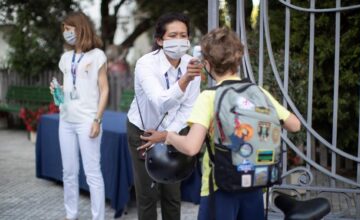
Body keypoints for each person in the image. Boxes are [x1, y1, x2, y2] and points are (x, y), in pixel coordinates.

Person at [165, 27, 301, 220]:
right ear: (238, 61)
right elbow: (295, 125)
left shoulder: (209, 97)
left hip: (219, 188)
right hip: (254, 184)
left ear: (208, 64)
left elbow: (191, 147)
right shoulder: (258, 92)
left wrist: (170, 136)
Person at [126, 12, 202, 220]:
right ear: (160, 40)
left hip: (174, 132)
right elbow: (160, 102)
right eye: (173, 35)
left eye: (183, 35)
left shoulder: (191, 65)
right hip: (142, 132)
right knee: (147, 194)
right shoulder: (145, 64)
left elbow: (188, 108)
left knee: (172, 192)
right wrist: (185, 79)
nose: (179, 40)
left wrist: (168, 135)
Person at [50, 11, 109, 220]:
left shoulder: (97, 56)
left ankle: (98, 217)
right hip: (65, 120)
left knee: (92, 173)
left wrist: (97, 119)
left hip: (87, 121)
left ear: (80, 27)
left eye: (69, 28)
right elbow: (69, 87)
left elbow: (105, 90)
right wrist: (57, 90)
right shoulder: (65, 58)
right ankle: (71, 215)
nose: (66, 33)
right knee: (69, 172)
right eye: (64, 30)